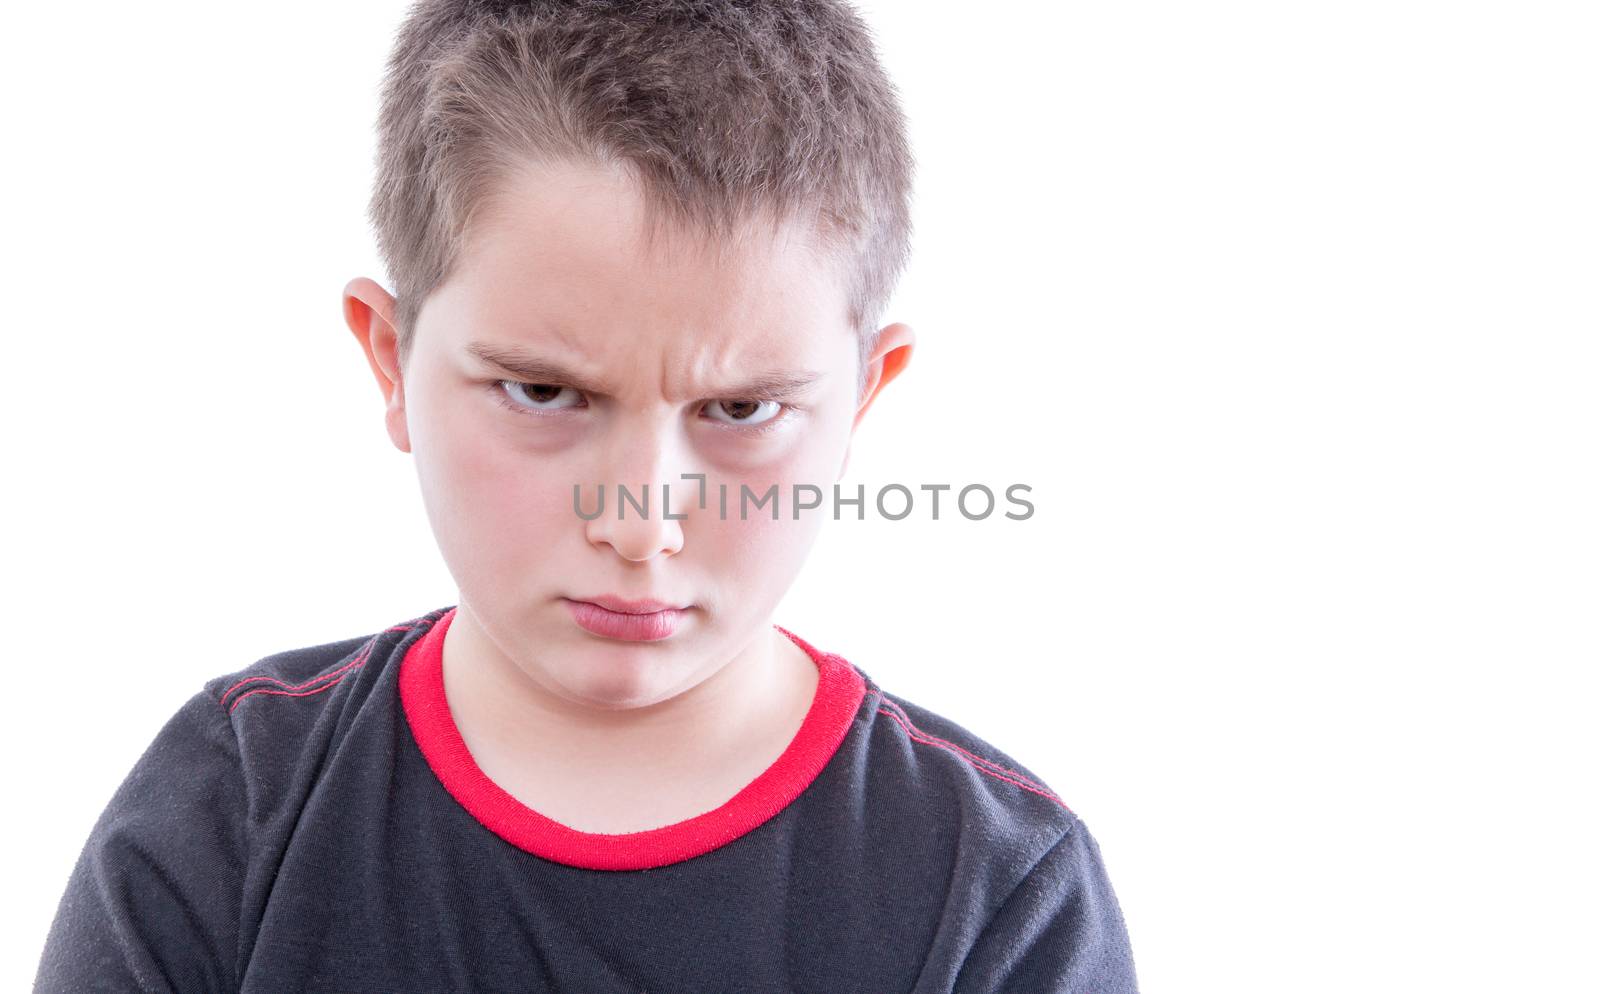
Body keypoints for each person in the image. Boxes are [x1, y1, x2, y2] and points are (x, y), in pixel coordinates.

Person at [33, 1, 1139, 990]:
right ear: (389, 362)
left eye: (743, 411)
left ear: (860, 402)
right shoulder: (227, 813)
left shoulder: (999, 893)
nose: (638, 524)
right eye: (544, 390)